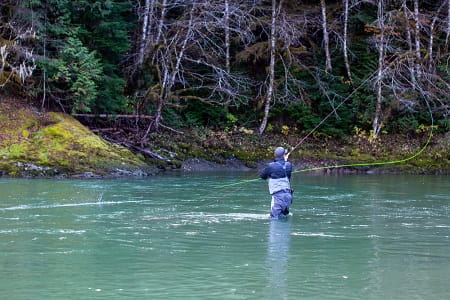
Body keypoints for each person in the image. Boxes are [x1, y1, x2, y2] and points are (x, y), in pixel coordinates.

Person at [260, 147, 293, 218]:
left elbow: (263, 176)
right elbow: (287, 174)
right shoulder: (288, 165)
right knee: (284, 218)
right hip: (288, 196)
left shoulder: (271, 166)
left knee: (274, 219)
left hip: (278, 198)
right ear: (284, 155)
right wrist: (285, 161)